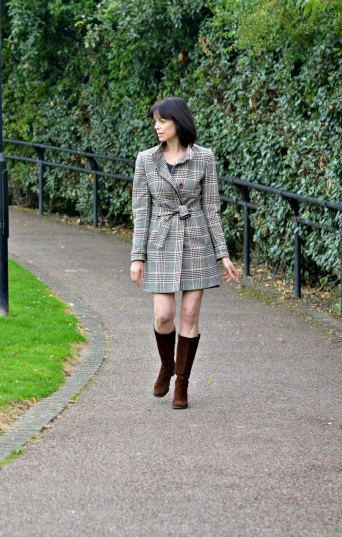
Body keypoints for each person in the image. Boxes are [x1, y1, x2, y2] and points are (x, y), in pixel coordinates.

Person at [130, 96, 239, 409]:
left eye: (162, 121)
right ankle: (167, 364)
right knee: (164, 315)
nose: (157, 127)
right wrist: (137, 256)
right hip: (160, 241)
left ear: (178, 122)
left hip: (196, 240)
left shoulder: (204, 158)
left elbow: (211, 208)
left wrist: (223, 254)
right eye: (155, 121)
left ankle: (182, 384)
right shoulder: (146, 160)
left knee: (190, 314)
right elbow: (141, 210)